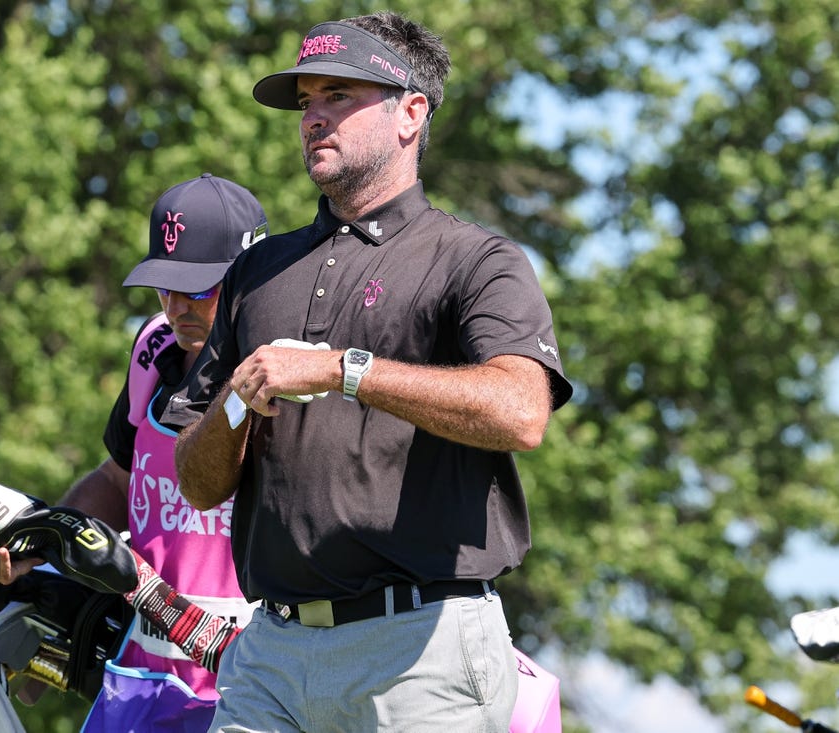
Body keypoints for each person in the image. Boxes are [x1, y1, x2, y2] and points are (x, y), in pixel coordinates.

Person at [165, 12, 573, 733]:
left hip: (421, 652)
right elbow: (198, 485)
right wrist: (237, 397)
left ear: (411, 113)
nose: (313, 118)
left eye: (338, 97)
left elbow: (521, 410)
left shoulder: (474, 260)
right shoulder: (257, 273)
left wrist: (343, 370)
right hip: (273, 656)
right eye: (306, 102)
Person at [0, 173, 269, 729]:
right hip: (137, 680)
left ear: (247, 275)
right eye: (164, 287)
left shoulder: (277, 375)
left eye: (197, 290)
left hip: (244, 688)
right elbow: (120, 481)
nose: (176, 307)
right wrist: (36, 543)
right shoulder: (154, 347)